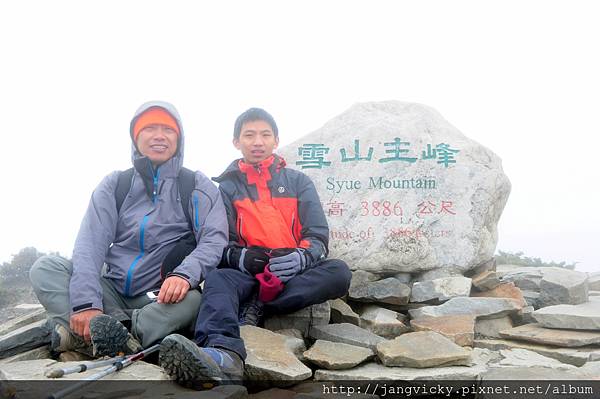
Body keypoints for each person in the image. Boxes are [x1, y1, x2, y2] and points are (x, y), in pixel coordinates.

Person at [158, 108, 352, 388]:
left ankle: (260, 304)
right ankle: (222, 353)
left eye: (265, 135)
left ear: (276, 140)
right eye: (249, 135)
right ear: (237, 142)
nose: (257, 142)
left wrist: (303, 256)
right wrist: (240, 256)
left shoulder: (299, 182)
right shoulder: (224, 189)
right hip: (247, 273)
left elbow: (319, 236)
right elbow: (218, 242)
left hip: (291, 274)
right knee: (218, 278)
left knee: (339, 272)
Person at [30, 101, 228, 357]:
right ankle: (116, 333)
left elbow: (214, 240)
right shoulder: (116, 184)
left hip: (158, 297)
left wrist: (184, 275)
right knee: (46, 267)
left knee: (194, 300)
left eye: (168, 130)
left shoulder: (196, 185)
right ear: (136, 137)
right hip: (110, 290)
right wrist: (87, 304)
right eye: (149, 129)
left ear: (179, 138)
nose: (159, 136)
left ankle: (94, 334)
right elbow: (90, 244)